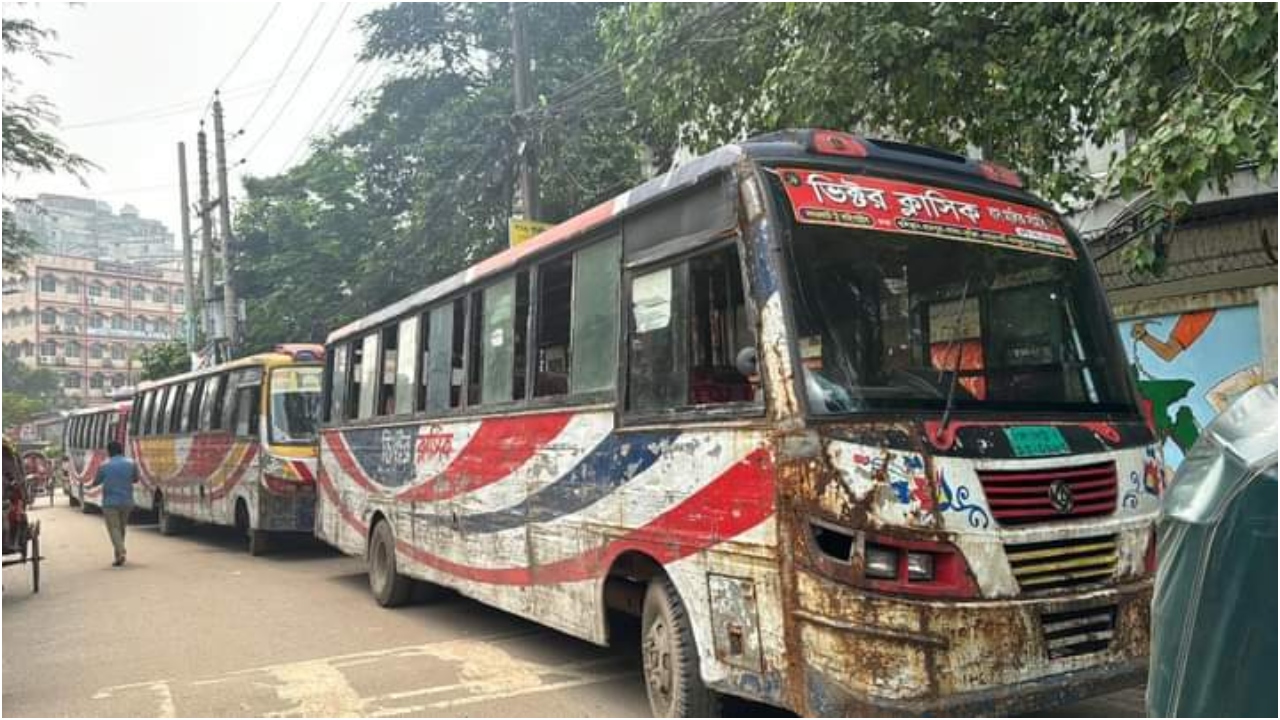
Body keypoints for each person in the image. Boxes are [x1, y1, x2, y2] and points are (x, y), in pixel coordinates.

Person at [86, 440, 137, 566]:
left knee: (114, 528)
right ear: (121, 450)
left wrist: (89, 486)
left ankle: (121, 551)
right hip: (127, 501)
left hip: (110, 502)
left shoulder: (104, 465)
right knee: (121, 528)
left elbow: (97, 481)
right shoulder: (131, 463)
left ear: (109, 452)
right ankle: (118, 556)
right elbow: (135, 479)